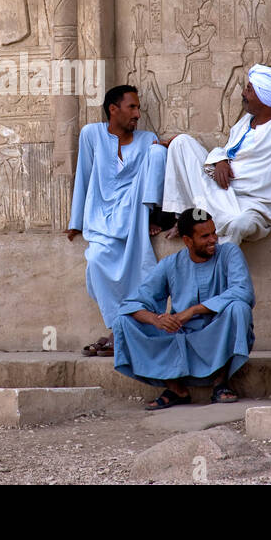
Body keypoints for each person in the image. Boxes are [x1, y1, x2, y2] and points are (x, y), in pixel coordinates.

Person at [163, 64, 271, 245]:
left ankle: (210, 241)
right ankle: (188, 220)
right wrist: (221, 161)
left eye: (249, 89)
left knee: (239, 224)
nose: (243, 93)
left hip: (254, 205)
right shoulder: (246, 121)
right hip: (223, 193)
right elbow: (227, 150)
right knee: (181, 143)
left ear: (265, 96)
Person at [113, 208, 255, 409]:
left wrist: (193, 311)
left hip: (216, 333)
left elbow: (243, 292)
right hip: (180, 335)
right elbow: (132, 303)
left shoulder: (230, 253)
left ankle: (220, 383)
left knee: (239, 308)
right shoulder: (171, 263)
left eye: (214, 233)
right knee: (124, 321)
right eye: (205, 236)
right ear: (187, 240)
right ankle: (175, 388)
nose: (213, 239)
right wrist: (156, 319)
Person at [68, 85, 167, 357]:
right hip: (101, 216)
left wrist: (149, 214)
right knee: (97, 260)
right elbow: (84, 175)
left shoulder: (148, 140)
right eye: (132, 107)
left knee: (159, 152)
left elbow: (154, 176)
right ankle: (118, 328)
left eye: (138, 107)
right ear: (113, 109)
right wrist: (76, 220)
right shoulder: (92, 134)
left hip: (136, 213)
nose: (138, 113)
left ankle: (119, 334)